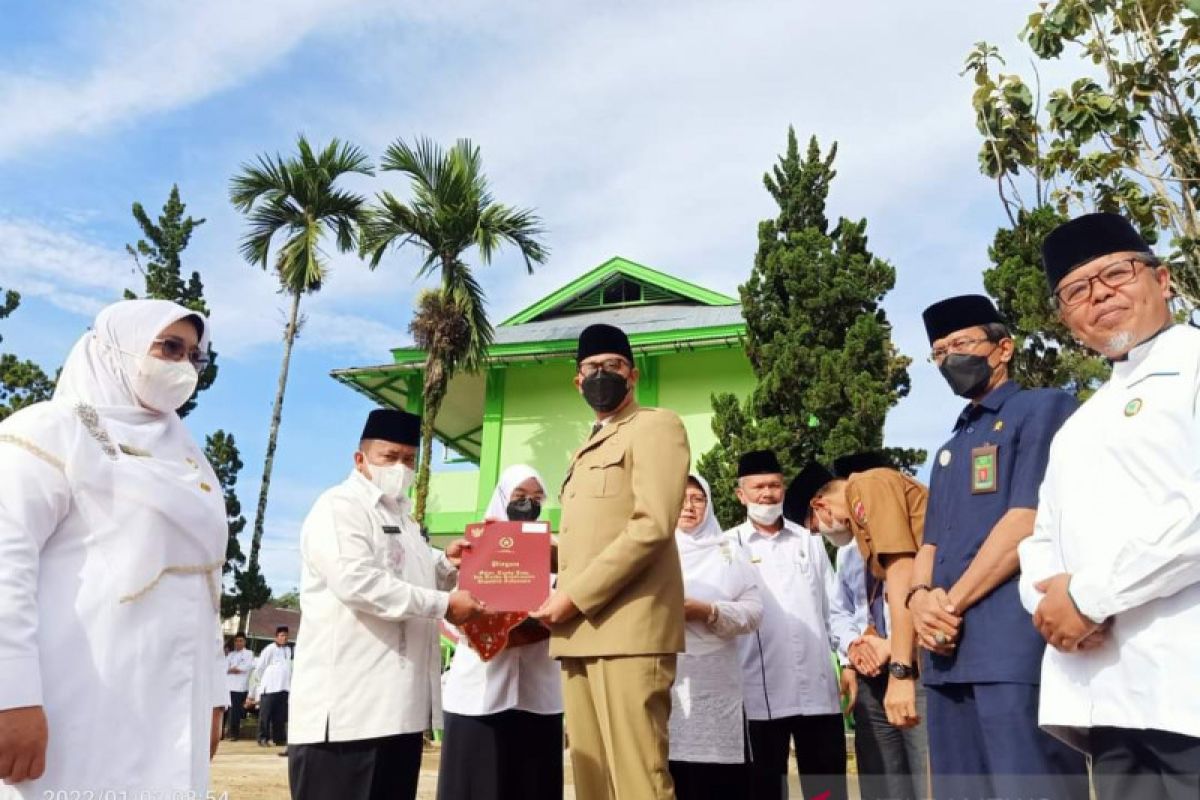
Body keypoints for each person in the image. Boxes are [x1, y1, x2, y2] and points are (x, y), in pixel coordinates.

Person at [0, 299, 228, 796]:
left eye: (194, 356)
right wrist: (9, 694)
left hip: (168, 705)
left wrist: (213, 696)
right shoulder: (49, 430)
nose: (184, 366)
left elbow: (208, 585)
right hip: (73, 694)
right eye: (170, 347)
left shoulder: (190, 458)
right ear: (114, 350)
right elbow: (5, 564)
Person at [1018, 212, 1200, 798]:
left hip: (1186, 687)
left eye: (1116, 274)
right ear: (1067, 320)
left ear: (1162, 279)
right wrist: (1050, 602)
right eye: (1076, 290)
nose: (1099, 295)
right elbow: (1041, 539)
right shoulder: (1082, 421)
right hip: (1108, 696)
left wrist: (1089, 598)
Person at [910, 294, 1087, 799]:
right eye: (939, 351)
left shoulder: (1043, 407)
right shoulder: (949, 448)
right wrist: (919, 599)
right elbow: (932, 542)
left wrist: (950, 602)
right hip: (946, 655)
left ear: (1003, 347)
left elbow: (1025, 520)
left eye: (961, 343)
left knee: (1029, 785)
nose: (950, 358)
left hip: (1011, 646)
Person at [288, 408, 484, 800]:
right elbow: (357, 582)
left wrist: (447, 563)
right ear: (360, 459)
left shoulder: (405, 522)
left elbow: (413, 574)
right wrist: (444, 604)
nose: (401, 467)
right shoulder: (340, 507)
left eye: (409, 459)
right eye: (389, 457)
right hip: (347, 719)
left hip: (399, 716)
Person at [530, 323, 690, 800]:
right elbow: (587, 539)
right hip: (577, 634)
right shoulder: (585, 447)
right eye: (591, 368)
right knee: (592, 781)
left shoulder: (656, 426)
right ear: (578, 381)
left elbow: (652, 526)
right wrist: (491, 554)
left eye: (613, 366)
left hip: (629, 631)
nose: (602, 375)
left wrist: (573, 597)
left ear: (633, 374)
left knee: (638, 780)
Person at [790, 456, 930, 800]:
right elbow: (843, 609)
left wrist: (894, 653)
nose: (820, 534)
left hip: (917, 657)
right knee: (883, 779)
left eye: (813, 526)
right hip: (875, 667)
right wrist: (855, 648)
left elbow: (902, 576)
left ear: (820, 506)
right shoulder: (856, 545)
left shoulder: (868, 484)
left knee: (927, 771)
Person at [437, 464, 564, 800]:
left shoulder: (555, 550)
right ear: (503, 497)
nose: (529, 504)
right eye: (520, 496)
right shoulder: (473, 549)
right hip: (479, 691)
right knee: (475, 784)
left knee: (530, 783)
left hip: (537, 690)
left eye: (537, 497)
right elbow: (451, 613)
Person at [726, 449, 847, 800]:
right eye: (759, 486)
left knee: (825, 790)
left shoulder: (808, 539)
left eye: (775, 486)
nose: (768, 494)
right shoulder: (729, 545)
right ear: (741, 494)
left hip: (817, 690)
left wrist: (848, 662)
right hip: (758, 693)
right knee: (764, 789)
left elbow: (832, 605)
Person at [669, 474, 763, 800]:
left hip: (718, 682)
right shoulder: (653, 552)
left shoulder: (729, 552)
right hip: (668, 680)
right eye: (680, 497)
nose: (689, 506)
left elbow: (754, 612)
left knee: (719, 780)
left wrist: (707, 610)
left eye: (698, 498)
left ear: (708, 505)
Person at [250, 626, 292, 747]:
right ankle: (263, 738)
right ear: (276, 636)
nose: (284, 638)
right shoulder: (269, 649)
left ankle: (279, 738)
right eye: (282, 635)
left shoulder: (288, 650)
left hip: (284, 688)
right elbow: (259, 668)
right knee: (265, 715)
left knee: (280, 716)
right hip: (270, 688)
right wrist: (259, 686)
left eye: (286, 635)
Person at [225, 633, 255, 740]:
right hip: (228, 686)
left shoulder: (249, 653)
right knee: (225, 710)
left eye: (241, 641)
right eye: (237, 641)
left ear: (245, 642)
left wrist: (233, 669)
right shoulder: (231, 654)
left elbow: (247, 667)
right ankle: (222, 733)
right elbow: (224, 668)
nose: (238, 643)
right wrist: (232, 669)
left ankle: (234, 734)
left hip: (239, 687)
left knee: (235, 712)